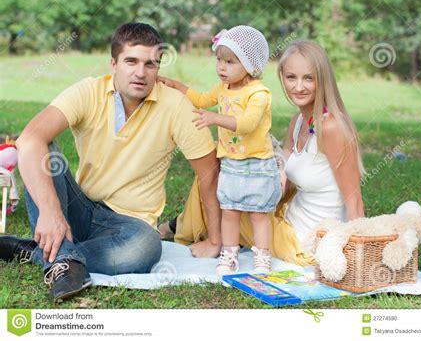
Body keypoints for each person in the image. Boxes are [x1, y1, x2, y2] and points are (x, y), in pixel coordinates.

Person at [0, 22, 221, 301]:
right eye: (131, 61)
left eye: (151, 64)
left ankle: (43, 253)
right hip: (79, 209)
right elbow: (29, 140)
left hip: (130, 226)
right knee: (45, 151)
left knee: (145, 248)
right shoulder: (88, 91)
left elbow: (209, 173)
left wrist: (214, 240)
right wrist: (51, 213)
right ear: (113, 63)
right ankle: (61, 255)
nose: (141, 73)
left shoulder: (176, 105)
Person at [166, 40, 365, 265]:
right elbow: (282, 183)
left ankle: (204, 237)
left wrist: (357, 254)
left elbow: (353, 198)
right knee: (222, 176)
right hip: (285, 222)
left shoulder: (332, 128)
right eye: (291, 77)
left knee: (211, 175)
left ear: (323, 79)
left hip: (303, 243)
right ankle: (183, 227)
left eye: (308, 78)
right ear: (282, 78)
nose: (299, 87)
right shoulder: (298, 122)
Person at [158, 26, 281, 274]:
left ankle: (263, 257)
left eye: (230, 62)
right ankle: (229, 254)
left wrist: (214, 119)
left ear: (250, 65)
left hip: (257, 164)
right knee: (230, 210)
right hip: (232, 163)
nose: (221, 67)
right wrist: (176, 86)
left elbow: (247, 124)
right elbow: (202, 100)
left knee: (259, 213)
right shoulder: (223, 88)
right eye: (219, 60)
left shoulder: (259, 94)